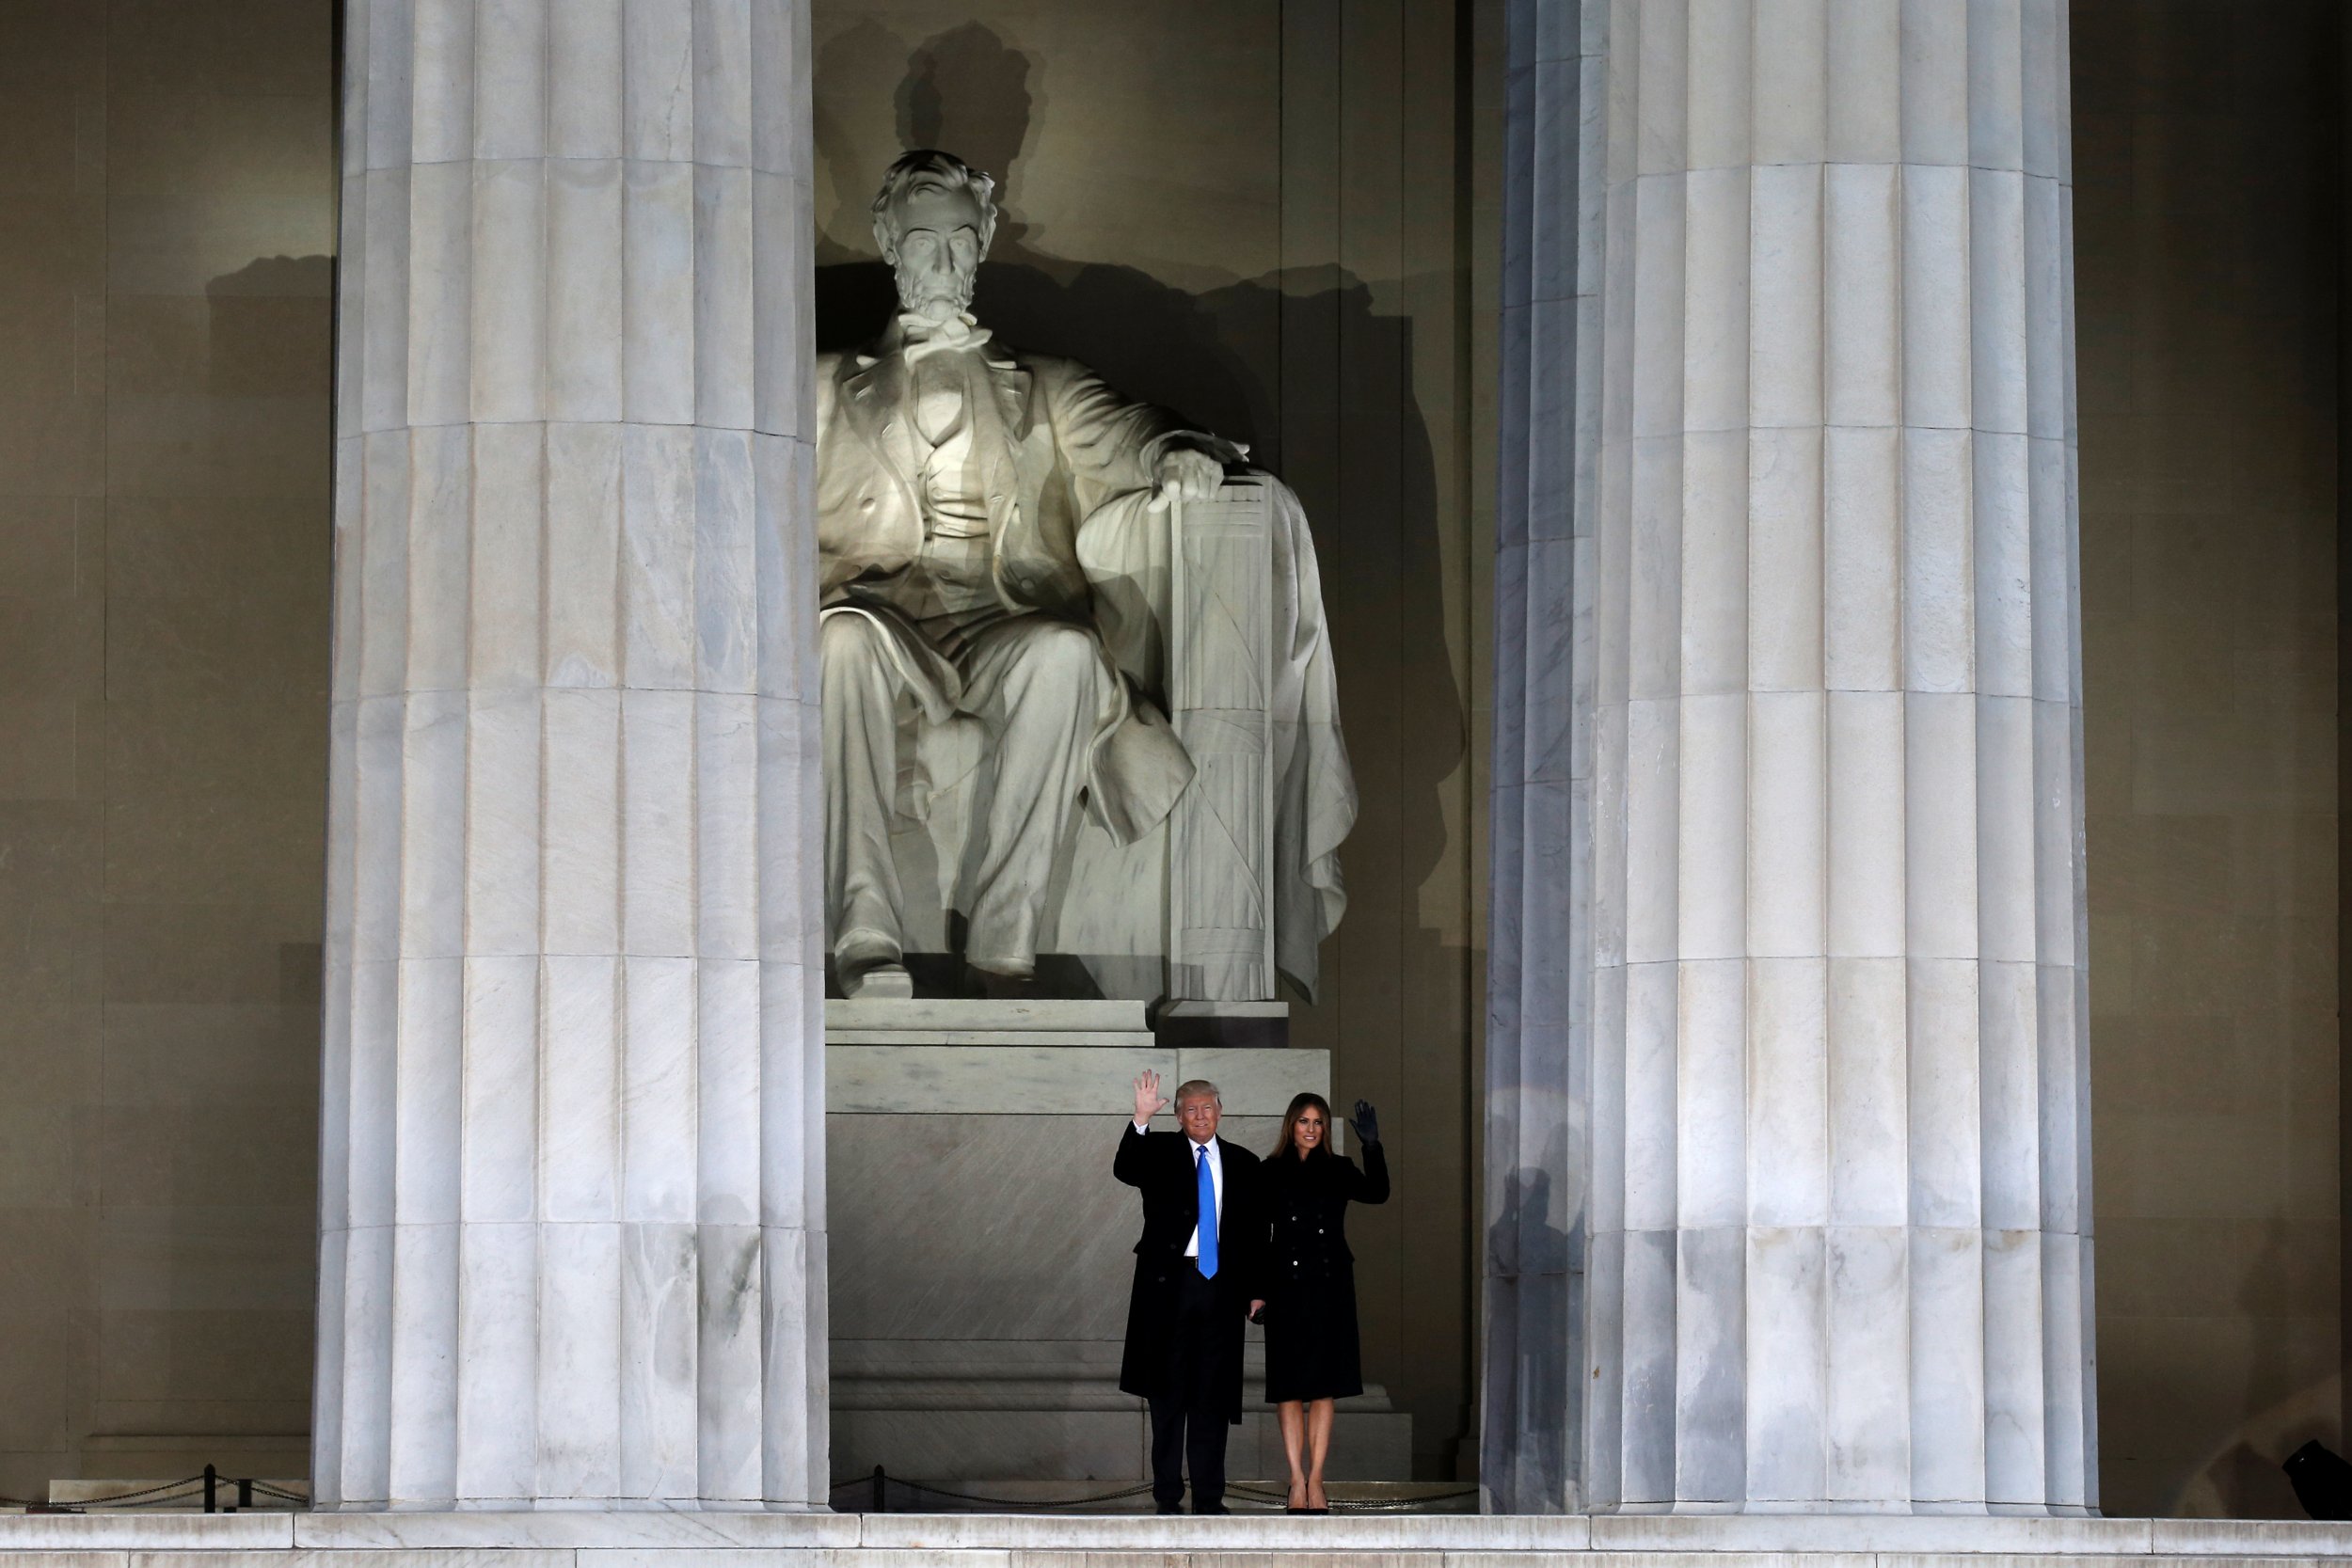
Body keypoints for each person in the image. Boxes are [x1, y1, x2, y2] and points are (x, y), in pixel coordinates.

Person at [813, 149, 1356, 1000]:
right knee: (837, 640)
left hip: (1000, 623)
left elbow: (1131, 429)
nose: (944, 263)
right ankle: (865, 934)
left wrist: (1175, 451)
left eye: (960, 240)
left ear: (985, 238)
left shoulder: (1045, 385)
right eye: (923, 243)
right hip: (882, 620)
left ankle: (1005, 946)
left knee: (1067, 654)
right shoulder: (822, 390)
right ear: (888, 241)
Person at [1115, 1069, 1264, 1513]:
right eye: (1191, 1110)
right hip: (1169, 1289)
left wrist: (1256, 1290)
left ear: (1221, 1112)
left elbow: (1257, 1231)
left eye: (1207, 1108)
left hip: (1221, 1287)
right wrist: (1141, 1118)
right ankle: (1166, 1495)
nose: (1200, 1116)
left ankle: (1209, 1496)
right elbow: (1126, 1168)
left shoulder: (1243, 1162)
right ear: (1178, 1116)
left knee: (1211, 1395)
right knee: (1166, 1394)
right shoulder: (1158, 1151)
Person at [1260, 1092, 1389, 1513]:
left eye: (1318, 1122)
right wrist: (1257, 1291)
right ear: (1290, 1125)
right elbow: (1258, 1235)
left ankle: (1317, 1481)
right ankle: (1295, 1480)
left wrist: (1372, 1146)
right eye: (1304, 1121)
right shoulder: (1270, 1171)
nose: (1311, 1129)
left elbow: (1378, 1193)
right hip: (1285, 1286)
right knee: (1290, 1388)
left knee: (1324, 1388)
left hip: (1330, 1284)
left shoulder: (1338, 1169)